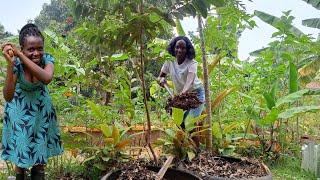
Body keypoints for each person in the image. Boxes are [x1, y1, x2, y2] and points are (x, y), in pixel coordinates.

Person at [1, 23, 63, 180]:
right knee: (21, 159)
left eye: (39, 48)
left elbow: (47, 78)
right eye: (31, 49)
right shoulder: (17, 65)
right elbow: (8, 96)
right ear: (22, 48)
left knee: (39, 157)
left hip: (41, 110)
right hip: (20, 112)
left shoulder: (47, 60)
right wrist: (11, 63)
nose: (36, 53)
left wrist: (21, 55)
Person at [158, 36, 205, 128]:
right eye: (177, 47)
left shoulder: (192, 63)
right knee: (180, 124)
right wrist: (161, 81)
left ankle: (194, 142)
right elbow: (160, 77)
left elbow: (190, 81)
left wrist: (182, 94)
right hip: (181, 98)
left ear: (187, 50)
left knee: (189, 123)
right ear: (173, 48)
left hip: (195, 95)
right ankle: (186, 142)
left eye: (183, 48)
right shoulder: (169, 61)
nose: (179, 50)